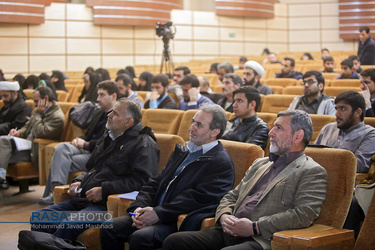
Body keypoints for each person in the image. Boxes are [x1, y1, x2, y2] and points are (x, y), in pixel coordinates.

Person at [163, 110, 328, 250]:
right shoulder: (261, 163)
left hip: (261, 238)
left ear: (298, 136)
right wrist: (224, 216)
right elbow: (232, 195)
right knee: (174, 241)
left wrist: (254, 227)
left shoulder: (311, 171)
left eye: (278, 128)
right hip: (229, 230)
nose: (271, 133)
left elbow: (303, 214)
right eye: (273, 127)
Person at [100, 103, 235, 250]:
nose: (191, 128)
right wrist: (139, 207)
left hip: (175, 220)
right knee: (109, 227)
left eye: (199, 125)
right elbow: (155, 182)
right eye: (192, 122)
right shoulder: (184, 151)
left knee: (141, 237)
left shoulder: (220, 162)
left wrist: (158, 213)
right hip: (153, 211)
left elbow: (197, 199)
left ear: (214, 131)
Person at [31, 98, 160, 241]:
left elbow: (142, 182)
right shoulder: (109, 136)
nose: (109, 115)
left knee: (69, 225)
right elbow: (92, 168)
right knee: (40, 218)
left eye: (115, 114)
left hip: (107, 207)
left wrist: (104, 190)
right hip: (83, 200)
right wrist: (80, 180)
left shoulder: (144, 144)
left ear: (128, 122)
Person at [39, 80, 119, 205]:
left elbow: (109, 142)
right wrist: (78, 140)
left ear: (113, 96)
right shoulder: (98, 112)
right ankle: (55, 192)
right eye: (97, 95)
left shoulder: (118, 116)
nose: (98, 99)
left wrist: (86, 144)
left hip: (98, 155)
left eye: (102, 95)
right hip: (87, 148)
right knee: (62, 148)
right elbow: (88, 135)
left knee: (59, 159)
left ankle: (55, 193)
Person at [0, 86, 64, 189]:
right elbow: (27, 126)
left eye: (36, 101)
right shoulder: (39, 110)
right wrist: (18, 133)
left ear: (46, 99)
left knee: (2, 141)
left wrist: (37, 115)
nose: (34, 104)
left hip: (35, 150)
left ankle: (1, 178)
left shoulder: (56, 116)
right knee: (4, 141)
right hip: (24, 145)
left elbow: (40, 133)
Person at [314, 90, 375, 173]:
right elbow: (312, 156)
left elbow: (357, 166)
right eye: (336, 108)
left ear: (358, 112)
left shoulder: (370, 134)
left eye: (343, 109)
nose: (337, 114)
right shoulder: (328, 128)